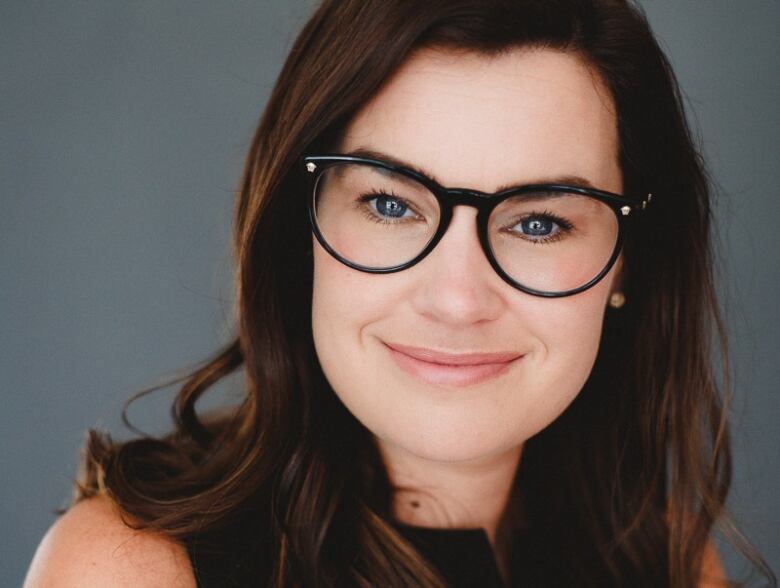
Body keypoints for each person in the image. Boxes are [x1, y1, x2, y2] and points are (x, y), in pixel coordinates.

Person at [23, 0, 776, 586]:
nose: (456, 298)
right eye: (391, 205)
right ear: (300, 227)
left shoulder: (667, 561)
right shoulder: (134, 571)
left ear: (627, 264)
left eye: (540, 222)